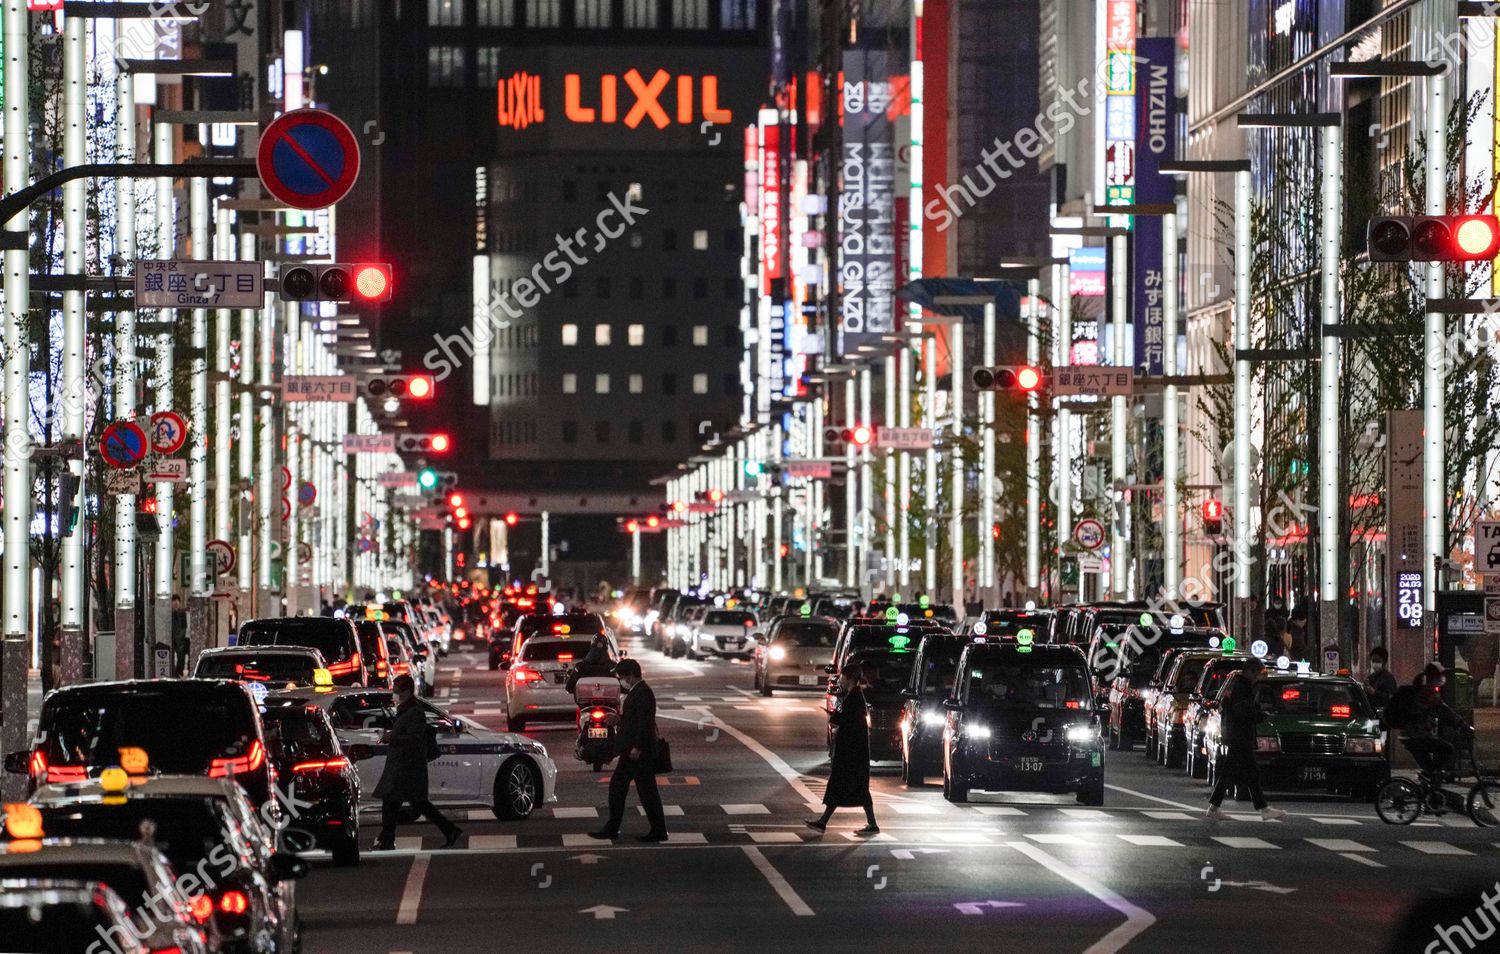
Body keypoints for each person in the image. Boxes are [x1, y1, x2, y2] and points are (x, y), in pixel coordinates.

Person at [372, 674, 463, 851]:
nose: (394, 694)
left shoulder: (414, 711)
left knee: (399, 802)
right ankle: (388, 839)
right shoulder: (406, 709)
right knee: (403, 803)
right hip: (402, 764)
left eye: (397, 690)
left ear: (406, 691)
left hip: (408, 766)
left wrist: (392, 737)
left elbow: (415, 738)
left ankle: (388, 840)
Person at [589, 659, 668, 842]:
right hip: (634, 749)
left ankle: (616, 828)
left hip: (637, 751)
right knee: (640, 790)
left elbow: (645, 723)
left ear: (631, 675)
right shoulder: (638, 691)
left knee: (627, 788)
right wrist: (618, 719)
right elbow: (634, 720)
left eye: (622, 677)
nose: (621, 680)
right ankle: (655, 829)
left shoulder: (643, 693)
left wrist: (637, 747)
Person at [1205, 658, 1287, 821]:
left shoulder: (1236, 685)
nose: (1257, 678)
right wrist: (1260, 715)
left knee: (1237, 773)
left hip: (1235, 735)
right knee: (1248, 773)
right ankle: (1262, 808)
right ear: (1249, 671)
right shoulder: (1241, 688)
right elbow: (1242, 712)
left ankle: (1215, 807)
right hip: (1239, 736)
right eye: (1256, 674)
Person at [806, 665, 879, 836]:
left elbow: (847, 721)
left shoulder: (854, 697)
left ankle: (823, 822)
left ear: (850, 678)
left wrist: (834, 715)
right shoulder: (854, 696)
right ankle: (870, 823)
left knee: (842, 786)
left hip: (851, 752)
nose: (840, 680)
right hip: (854, 751)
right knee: (855, 788)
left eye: (843, 677)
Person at [1400, 663, 1470, 781]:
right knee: (1448, 749)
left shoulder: (1422, 690)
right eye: (1442, 675)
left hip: (1411, 735)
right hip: (1417, 736)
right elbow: (1445, 711)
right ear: (1435, 677)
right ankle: (1430, 779)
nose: (1444, 678)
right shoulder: (1430, 693)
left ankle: (1428, 788)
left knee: (1431, 771)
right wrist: (1463, 724)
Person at [1364, 646, 1398, 710]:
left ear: (1384, 662)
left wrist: (1374, 692)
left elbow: (1391, 698)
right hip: (1370, 712)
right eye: (1373, 661)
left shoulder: (1389, 678)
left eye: (1378, 661)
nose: (1375, 664)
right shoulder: (1370, 678)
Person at [170, 595, 188, 676]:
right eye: (174, 601)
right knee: (171, 656)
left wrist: (182, 635)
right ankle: (173, 671)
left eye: (177, 601)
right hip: (171, 637)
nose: (176, 603)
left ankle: (179, 671)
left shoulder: (182, 612)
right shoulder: (169, 612)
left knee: (181, 657)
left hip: (180, 638)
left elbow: (184, 625)